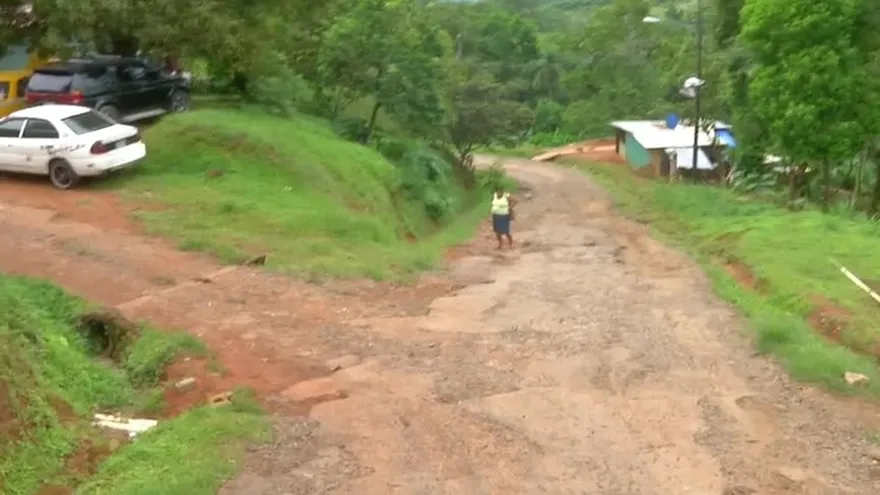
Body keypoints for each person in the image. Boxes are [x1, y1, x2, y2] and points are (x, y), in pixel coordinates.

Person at [490, 185, 517, 249]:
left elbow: (516, 201)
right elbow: (493, 203)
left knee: (506, 231)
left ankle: (511, 244)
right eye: (498, 191)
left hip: (504, 216)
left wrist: (509, 208)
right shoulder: (494, 196)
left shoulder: (506, 196)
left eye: (500, 191)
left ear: (502, 191)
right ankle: (500, 245)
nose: (499, 193)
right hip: (496, 216)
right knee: (497, 232)